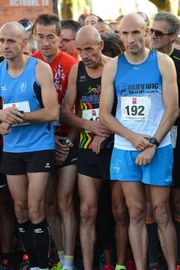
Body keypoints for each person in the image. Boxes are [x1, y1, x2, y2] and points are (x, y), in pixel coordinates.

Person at [100, 13, 179, 270]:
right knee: (135, 212)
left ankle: (170, 265)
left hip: (159, 145)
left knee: (161, 211)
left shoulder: (163, 62)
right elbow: (104, 115)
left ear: (146, 32)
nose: (131, 39)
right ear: (119, 35)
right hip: (126, 147)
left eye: (136, 33)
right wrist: (134, 138)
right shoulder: (113, 66)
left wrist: (153, 142)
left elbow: (172, 109)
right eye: (125, 34)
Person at [0, 22, 58, 269]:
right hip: (12, 149)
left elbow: (53, 112)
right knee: (20, 210)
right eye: (2, 41)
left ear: (24, 43)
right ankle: (33, 262)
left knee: (35, 209)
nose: (5, 46)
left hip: (38, 146)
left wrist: (18, 117)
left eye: (11, 41)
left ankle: (41, 265)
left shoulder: (39, 68)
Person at [61, 25, 114, 270]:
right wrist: (88, 126)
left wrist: (104, 131)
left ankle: (119, 262)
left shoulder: (115, 66)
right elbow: (66, 111)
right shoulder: (77, 69)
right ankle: (89, 265)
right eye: (80, 50)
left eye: (90, 49)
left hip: (116, 145)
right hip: (86, 145)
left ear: (101, 45)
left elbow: (127, 111)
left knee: (120, 211)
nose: (85, 55)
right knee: (86, 211)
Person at [150, 11, 180, 270]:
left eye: (158, 33)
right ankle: (153, 258)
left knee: (178, 200)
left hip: (176, 137)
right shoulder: (139, 60)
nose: (152, 36)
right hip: (144, 139)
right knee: (151, 203)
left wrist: (169, 116)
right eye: (151, 30)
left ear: (172, 37)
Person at [32, 13, 77, 270]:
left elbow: (77, 111)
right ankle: (60, 258)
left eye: (51, 37)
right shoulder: (31, 64)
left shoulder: (71, 63)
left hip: (67, 140)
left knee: (65, 202)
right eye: (40, 36)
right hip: (42, 141)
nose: (45, 42)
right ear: (34, 37)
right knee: (48, 204)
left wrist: (68, 143)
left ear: (60, 39)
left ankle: (70, 262)